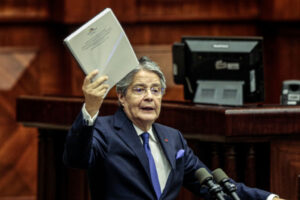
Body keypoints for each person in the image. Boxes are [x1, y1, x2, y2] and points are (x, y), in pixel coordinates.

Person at [63, 57, 284, 200]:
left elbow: (212, 184)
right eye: (139, 90)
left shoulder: (173, 138)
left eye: (156, 90)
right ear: (121, 96)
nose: (149, 96)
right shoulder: (104, 130)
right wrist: (91, 108)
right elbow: (76, 159)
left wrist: (268, 198)